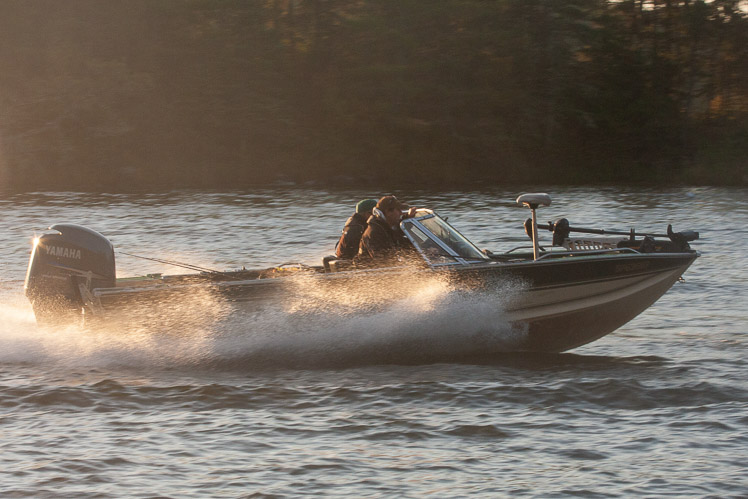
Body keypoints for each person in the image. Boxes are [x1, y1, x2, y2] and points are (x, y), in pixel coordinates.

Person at [356, 195, 417, 264]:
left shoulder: (385, 227)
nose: (401, 213)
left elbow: (399, 236)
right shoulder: (375, 232)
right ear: (388, 212)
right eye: (398, 210)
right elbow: (383, 261)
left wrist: (408, 218)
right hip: (371, 269)